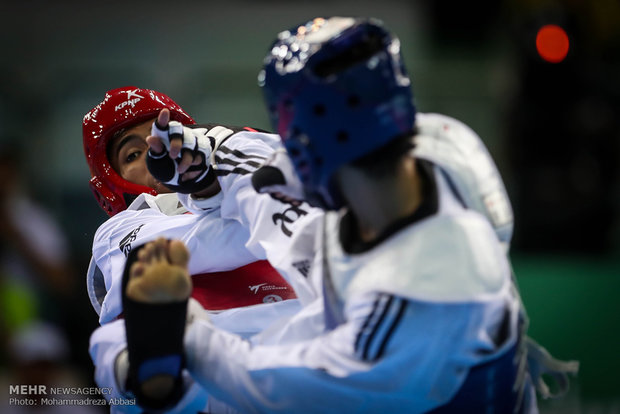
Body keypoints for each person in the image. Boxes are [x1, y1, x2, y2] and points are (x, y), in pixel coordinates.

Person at [131, 17, 579, 413]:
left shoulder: (413, 307)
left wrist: (177, 326)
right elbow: (281, 171)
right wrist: (204, 160)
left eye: (290, 129)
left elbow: (261, 383)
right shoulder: (447, 143)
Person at [82, 87, 320, 413]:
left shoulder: (246, 191)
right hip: (197, 359)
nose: (157, 155)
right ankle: (151, 370)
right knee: (116, 344)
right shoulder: (120, 231)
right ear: (111, 185)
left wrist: (223, 181)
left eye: (163, 140)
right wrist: (244, 199)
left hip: (294, 346)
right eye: (133, 155)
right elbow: (200, 244)